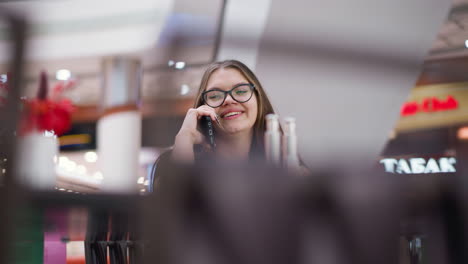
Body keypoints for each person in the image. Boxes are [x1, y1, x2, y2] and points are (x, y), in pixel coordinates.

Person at [151, 60, 306, 185]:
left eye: (241, 91)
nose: (229, 100)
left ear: (258, 99)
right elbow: (173, 211)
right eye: (215, 95)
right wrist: (185, 137)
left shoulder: (284, 159)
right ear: (202, 106)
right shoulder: (173, 160)